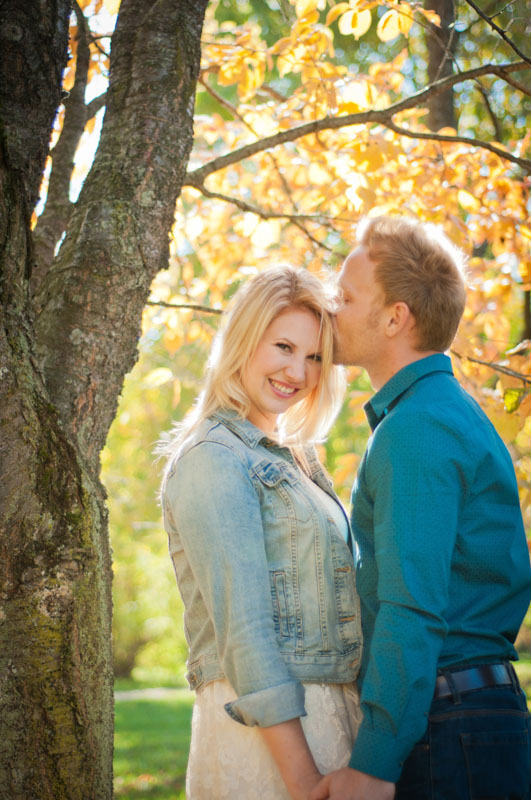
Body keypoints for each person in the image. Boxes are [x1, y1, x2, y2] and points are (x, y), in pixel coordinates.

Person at [310, 215, 531, 800]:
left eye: (346, 297)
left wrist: (374, 764)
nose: (331, 308)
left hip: (448, 724)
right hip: (464, 716)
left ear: (394, 318)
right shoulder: (438, 411)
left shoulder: (416, 428)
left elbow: (412, 607)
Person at [159, 266, 363, 800]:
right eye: (283, 347)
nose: (298, 371)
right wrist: (304, 781)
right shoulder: (214, 458)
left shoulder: (294, 458)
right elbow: (244, 631)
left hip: (329, 718)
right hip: (269, 739)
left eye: (314, 356)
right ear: (245, 339)